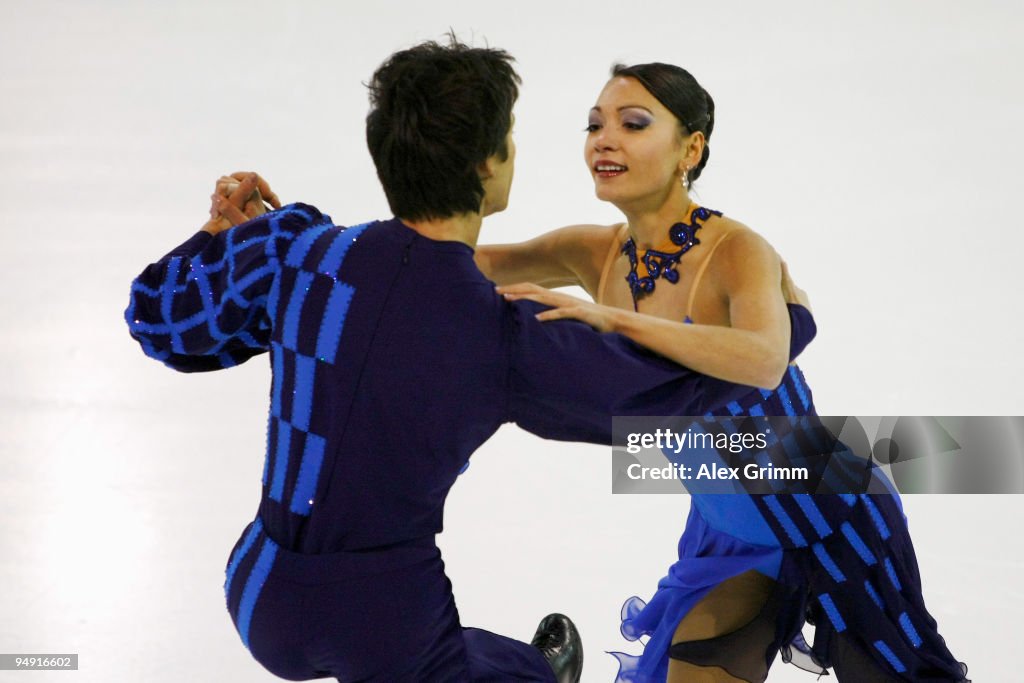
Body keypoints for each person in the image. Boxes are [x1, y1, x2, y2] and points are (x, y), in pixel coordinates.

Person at [124, 40, 817, 683]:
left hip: (258, 591)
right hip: (385, 620)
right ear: (492, 164)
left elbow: (159, 320)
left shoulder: (297, 251)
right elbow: (664, 402)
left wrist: (219, 238)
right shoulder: (503, 332)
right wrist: (791, 326)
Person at [477, 63, 969, 682]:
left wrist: (613, 321)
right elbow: (465, 263)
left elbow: (763, 359)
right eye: (594, 124)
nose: (605, 139)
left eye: (633, 124)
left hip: (828, 515)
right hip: (729, 535)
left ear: (692, 148)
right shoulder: (593, 251)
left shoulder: (736, 249)